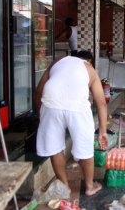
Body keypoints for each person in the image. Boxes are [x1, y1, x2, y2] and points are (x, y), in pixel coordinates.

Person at [34, 50, 109, 196]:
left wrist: (40, 115)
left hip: (51, 102)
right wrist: (102, 131)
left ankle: (64, 186)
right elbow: (101, 103)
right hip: (77, 108)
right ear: (89, 61)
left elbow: (39, 91)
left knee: (54, 147)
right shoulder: (89, 69)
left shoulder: (57, 62)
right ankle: (89, 186)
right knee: (85, 147)